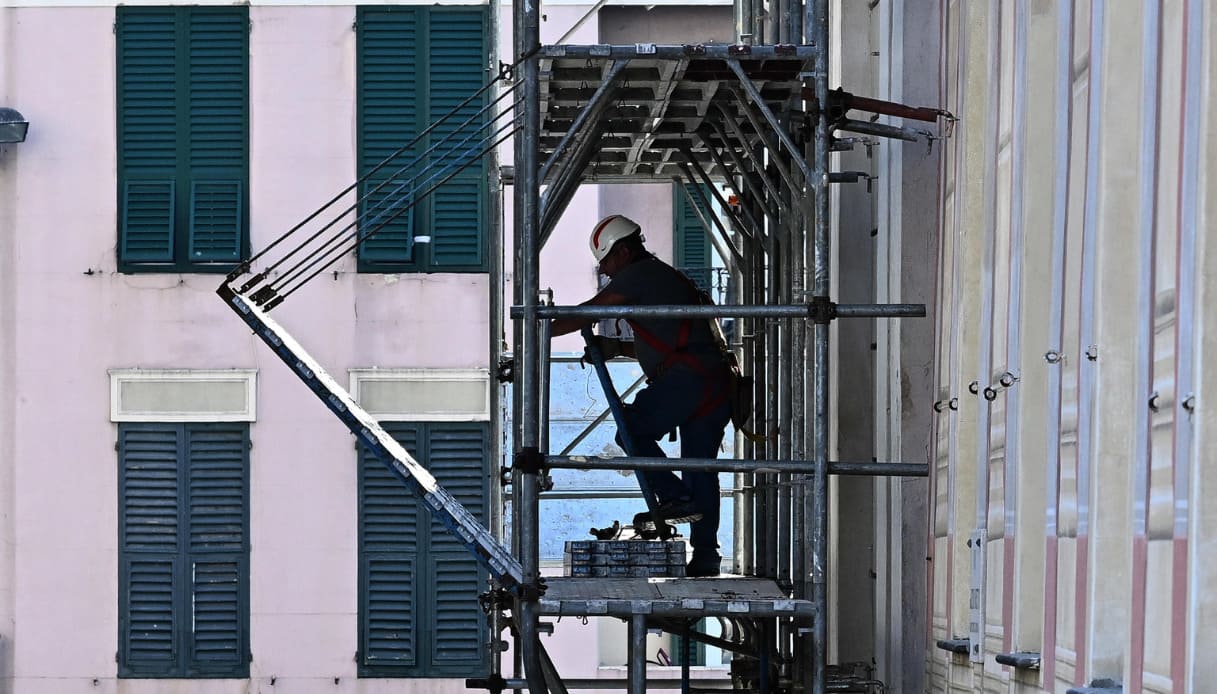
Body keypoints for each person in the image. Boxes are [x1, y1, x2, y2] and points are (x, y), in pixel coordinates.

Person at [551, 214, 733, 577]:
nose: (603, 270)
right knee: (701, 469)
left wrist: (538, 325)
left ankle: (675, 495)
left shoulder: (637, 275)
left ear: (622, 250)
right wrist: (615, 347)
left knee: (630, 430)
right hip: (712, 382)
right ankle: (706, 556)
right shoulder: (660, 276)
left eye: (605, 261)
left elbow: (586, 313)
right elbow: (670, 343)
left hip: (689, 381)